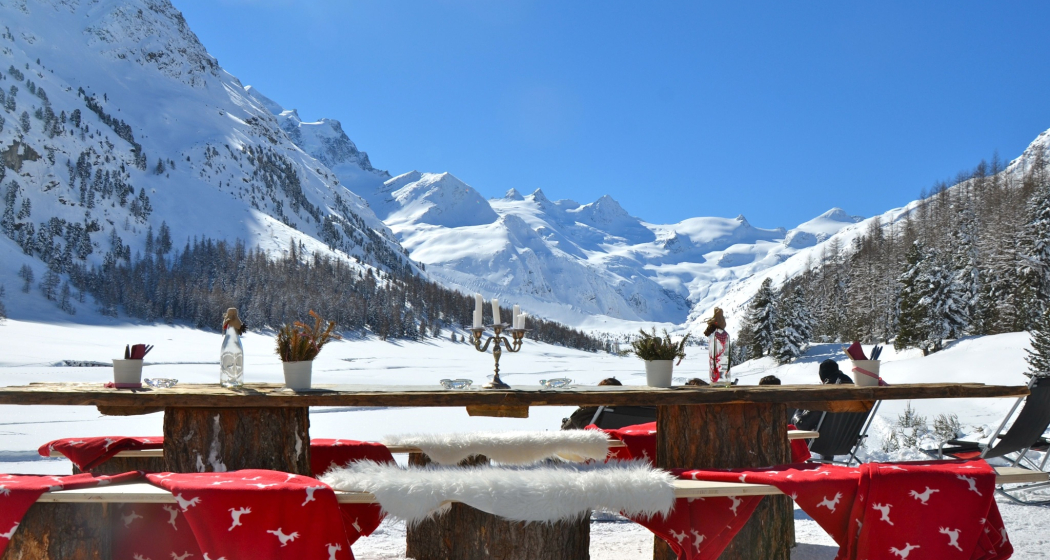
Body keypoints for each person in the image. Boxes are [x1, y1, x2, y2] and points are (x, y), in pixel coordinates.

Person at [791, 360, 852, 430]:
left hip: (821, 438)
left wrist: (800, 410)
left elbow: (801, 424)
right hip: (848, 438)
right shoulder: (855, 393)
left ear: (823, 379)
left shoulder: (825, 395)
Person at [705, 308, 731, 384]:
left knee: (721, 363)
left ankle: (719, 380)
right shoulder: (723, 335)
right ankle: (721, 380)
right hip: (720, 370)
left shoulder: (715, 335)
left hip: (719, 367)